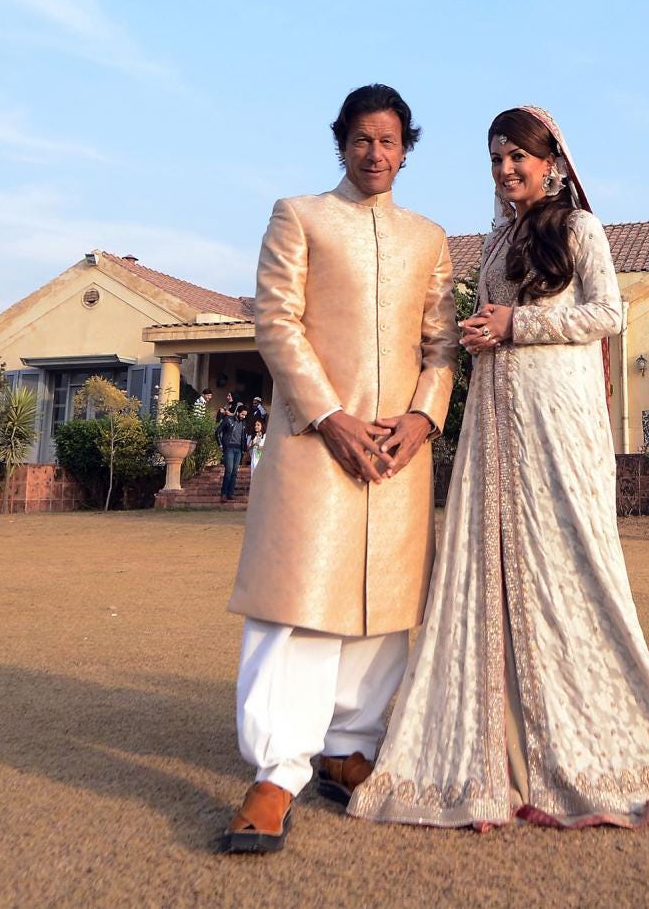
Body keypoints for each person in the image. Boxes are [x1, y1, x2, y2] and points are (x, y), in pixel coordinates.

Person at [349, 106, 649, 830]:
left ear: (552, 164)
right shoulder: (497, 238)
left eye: (518, 157)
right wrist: (482, 333)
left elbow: (609, 314)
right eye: (496, 158)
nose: (506, 170)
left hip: (557, 418)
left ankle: (580, 745)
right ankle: (499, 753)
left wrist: (519, 324)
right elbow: (498, 319)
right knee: (489, 566)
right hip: (496, 418)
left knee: (568, 563)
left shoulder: (579, 228)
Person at [218, 84, 459, 854]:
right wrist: (329, 416)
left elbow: (442, 344)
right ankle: (276, 772)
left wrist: (422, 419)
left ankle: (349, 748)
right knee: (297, 606)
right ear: (341, 143)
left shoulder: (429, 238)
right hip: (314, 442)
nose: (374, 153)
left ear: (406, 148)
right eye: (361, 139)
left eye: (388, 141)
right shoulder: (300, 216)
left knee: (384, 607)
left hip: (398, 450)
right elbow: (275, 321)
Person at [218, 404, 248, 501]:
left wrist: (244, 449)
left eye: (245, 415)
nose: (244, 416)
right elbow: (217, 431)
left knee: (235, 472)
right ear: (238, 412)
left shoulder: (244, 423)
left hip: (238, 450)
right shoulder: (228, 419)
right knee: (229, 471)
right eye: (242, 414)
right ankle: (224, 493)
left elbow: (243, 437)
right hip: (229, 448)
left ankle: (230, 493)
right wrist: (220, 445)